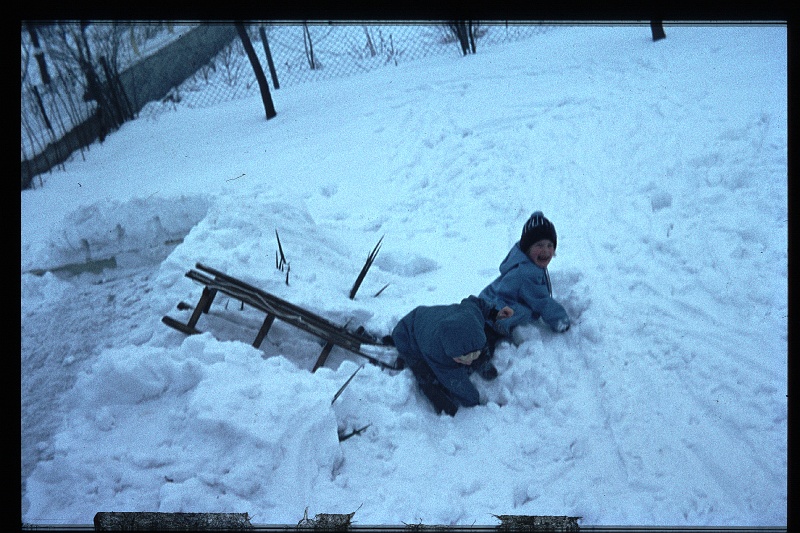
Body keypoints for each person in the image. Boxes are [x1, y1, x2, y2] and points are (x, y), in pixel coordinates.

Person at [391, 295, 513, 416]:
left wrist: (494, 313)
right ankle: (439, 400)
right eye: (462, 358)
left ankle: (475, 358)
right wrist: (473, 401)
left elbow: (476, 304)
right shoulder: (436, 351)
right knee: (426, 375)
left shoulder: (472, 314)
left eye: (473, 356)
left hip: (432, 319)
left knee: (472, 347)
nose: (469, 362)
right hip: (407, 337)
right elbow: (455, 380)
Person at [478, 211, 571, 366]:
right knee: (487, 336)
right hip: (495, 311)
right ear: (527, 248)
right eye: (539, 245)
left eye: (550, 245)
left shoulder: (529, 263)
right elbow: (542, 302)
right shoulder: (527, 273)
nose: (546, 251)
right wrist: (560, 320)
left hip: (492, 302)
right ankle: (477, 356)